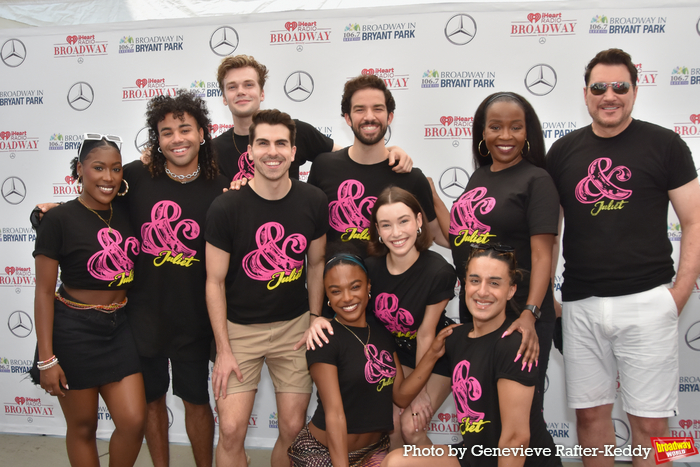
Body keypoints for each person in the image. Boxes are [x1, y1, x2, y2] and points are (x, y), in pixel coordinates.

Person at [546, 48, 700, 467]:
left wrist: (679, 295)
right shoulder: (562, 152)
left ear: (635, 90)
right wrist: (549, 298)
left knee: (653, 427)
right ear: (585, 93)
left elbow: (695, 221)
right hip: (580, 305)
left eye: (619, 86)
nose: (609, 95)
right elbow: (547, 233)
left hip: (650, 302)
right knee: (589, 418)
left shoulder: (666, 144)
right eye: (599, 87)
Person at [205, 109, 328, 467]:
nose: (271, 151)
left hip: (294, 328)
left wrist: (315, 318)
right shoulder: (226, 206)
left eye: (280, 143)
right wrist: (224, 348)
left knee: (292, 427)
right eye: (262, 143)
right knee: (230, 429)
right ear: (250, 151)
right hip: (238, 332)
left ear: (293, 152)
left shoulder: (313, 201)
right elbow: (213, 281)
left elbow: (317, 263)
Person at [382, 245, 561, 467]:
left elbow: (516, 440)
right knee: (396, 463)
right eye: (475, 281)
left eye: (494, 283)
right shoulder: (456, 337)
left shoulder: (513, 344)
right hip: (475, 456)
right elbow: (402, 398)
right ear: (464, 284)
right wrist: (431, 355)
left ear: (511, 290)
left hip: (518, 461)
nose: (482, 291)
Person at [430, 91, 559, 394]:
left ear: (528, 133)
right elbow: (461, 237)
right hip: (478, 309)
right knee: (482, 410)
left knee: (518, 419)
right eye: (495, 126)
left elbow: (543, 256)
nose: (505, 136)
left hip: (518, 314)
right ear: (482, 132)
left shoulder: (537, 180)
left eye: (516, 127)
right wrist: (431, 194)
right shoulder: (479, 177)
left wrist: (531, 314)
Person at [308, 187, 456, 448]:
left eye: (404, 221)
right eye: (386, 225)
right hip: (390, 356)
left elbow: (425, 333)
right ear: (376, 229)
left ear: (419, 221)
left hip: (432, 356)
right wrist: (319, 318)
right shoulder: (371, 267)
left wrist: (419, 393)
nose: (396, 233)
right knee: (392, 424)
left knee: (412, 425)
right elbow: (345, 308)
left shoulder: (439, 271)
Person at [31, 134, 146, 466]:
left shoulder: (127, 211)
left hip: (118, 327)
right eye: (98, 168)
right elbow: (43, 292)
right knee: (83, 427)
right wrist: (47, 359)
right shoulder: (57, 220)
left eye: (115, 169)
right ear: (80, 170)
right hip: (73, 330)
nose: (108, 178)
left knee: (133, 421)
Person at [289, 251, 455, 467]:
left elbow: (401, 397)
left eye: (355, 286)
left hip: (373, 452)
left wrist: (432, 354)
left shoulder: (381, 333)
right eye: (335, 291)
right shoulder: (324, 338)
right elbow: (335, 415)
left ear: (369, 287)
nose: (347, 298)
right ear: (327, 297)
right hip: (322, 453)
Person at [212, 54, 412, 181]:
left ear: (262, 93)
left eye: (248, 85)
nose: (240, 92)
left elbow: (352, 156)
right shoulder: (214, 150)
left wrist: (390, 151)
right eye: (232, 87)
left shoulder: (295, 130)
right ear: (223, 97)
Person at [308, 74, 447, 255]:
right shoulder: (323, 167)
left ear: (389, 117)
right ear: (348, 118)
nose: (369, 117)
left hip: (394, 283)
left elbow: (438, 234)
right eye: (359, 109)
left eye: (377, 109)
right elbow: (309, 229)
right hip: (340, 281)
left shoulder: (410, 176)